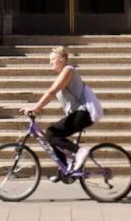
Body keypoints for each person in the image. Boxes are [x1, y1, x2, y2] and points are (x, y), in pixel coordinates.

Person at [20, 45, 96, 178]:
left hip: (82, 114)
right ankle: (64, 170)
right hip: (77, 114)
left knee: (50, 134)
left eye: (52, 59)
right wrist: (37, 108)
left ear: (61, 59)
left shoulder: (68, 70)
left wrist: (36, 108)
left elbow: (51, 92)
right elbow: (52, 95)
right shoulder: (63, 74)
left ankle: (80, 151)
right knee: (53, 136)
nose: (50, 63)